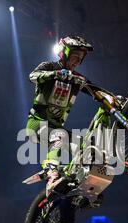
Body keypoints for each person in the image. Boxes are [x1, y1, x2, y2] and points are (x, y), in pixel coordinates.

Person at [26, 35, 94, 196]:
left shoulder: (77, 78)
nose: (78, 61)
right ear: (64, 53)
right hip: (36, 124)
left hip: (56, 127)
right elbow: (32, 76)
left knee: (86, 145)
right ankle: (51, 172)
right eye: (75, 56)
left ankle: (79, 182)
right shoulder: (49, 66)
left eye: (81, 59)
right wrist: (55, 74)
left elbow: (95, 90)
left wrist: (114, 98)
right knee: (60, 136)